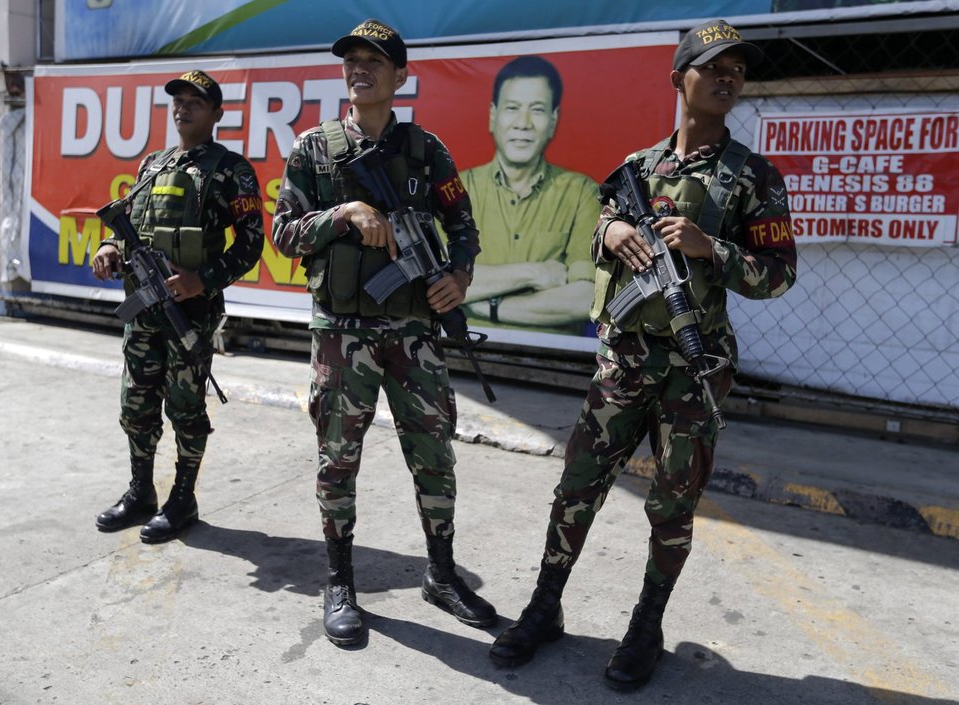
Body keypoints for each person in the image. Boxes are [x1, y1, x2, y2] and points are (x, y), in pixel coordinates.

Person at [489, 19, 798, 690]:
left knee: (672, 503)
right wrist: (616, 228)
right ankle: (545, 606)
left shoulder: (753, 176)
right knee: (577, 486)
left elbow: (779, 274)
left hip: (698, 366)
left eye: (738, 70)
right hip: (624, 360)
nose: (727, 77)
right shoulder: (637, 166)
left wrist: (709, 247)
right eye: (713, 65)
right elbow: (597, 220)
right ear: (679, 79)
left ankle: (647, 624)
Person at [271, 18, 496, 647]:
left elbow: (465, 227)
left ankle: (443, 574)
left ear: (401, 76)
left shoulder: (428, 151)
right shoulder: (313, 150)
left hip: (414, 334)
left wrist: (459, 275)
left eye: (375, 60)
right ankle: (340, 582)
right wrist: (342, 214)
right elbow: (283, 234)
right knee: (337, 460)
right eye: (352, 59)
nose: (359, 68)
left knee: (435, 453)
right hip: (342, 334)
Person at [92, 70, 265, 544]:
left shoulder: (232, 169)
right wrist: (109, 246)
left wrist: (201, 280)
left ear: (216, 113)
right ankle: (140, 491)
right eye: (178, 101)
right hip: (144, 311)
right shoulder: (153, 163)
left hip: (189, 315)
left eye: (195, 101)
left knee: (185, 409)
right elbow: (132, 223)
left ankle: (182, 498)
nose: (183, 107)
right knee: (135, 405)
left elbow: (252, 244)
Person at [460, 55, 601, 335]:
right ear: (493, 115)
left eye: (537, 110)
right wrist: (536, 272)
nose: (522, 123)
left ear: (553, 120)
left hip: (558, 365)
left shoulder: (582, 193)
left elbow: (588, 298)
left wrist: (490, 306)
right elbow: (433, 283)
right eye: (512, 108)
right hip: (461, 354)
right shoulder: (456, 190)